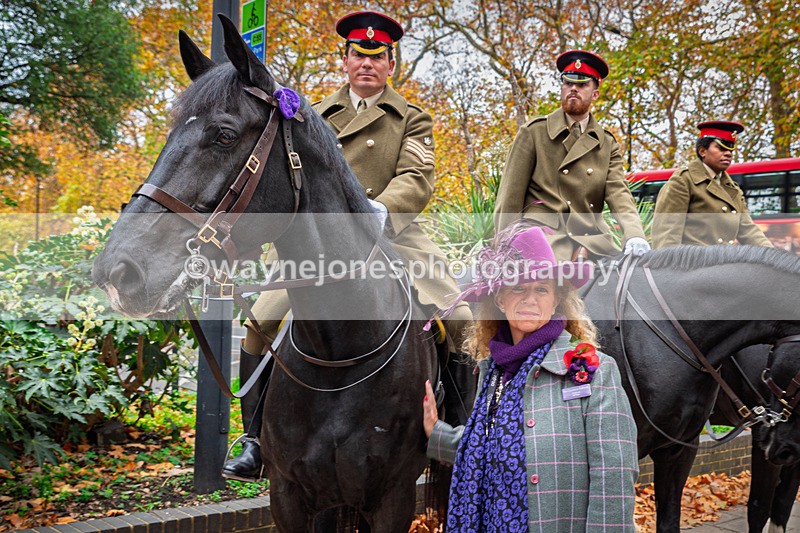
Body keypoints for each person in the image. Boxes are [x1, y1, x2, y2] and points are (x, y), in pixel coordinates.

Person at [221, 10, 473, 482]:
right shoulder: (309, 115)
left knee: (458, 318)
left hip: (392, 235)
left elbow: (418, 179)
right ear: (344, 60)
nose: (366, 65)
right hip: (317, 243)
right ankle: (254, 440)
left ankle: (458, 430)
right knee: (260, 320)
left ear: (391, 65)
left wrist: (380, 211)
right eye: (358, 54)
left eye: (377, 58)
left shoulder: (412, 118)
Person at [423, 223, 639, 532]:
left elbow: (615, 477)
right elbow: (492, 449)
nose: (530, 299)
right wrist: (437, 434)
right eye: (518, 288)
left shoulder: (593, 370)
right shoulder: (492, 370)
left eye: (542, 289)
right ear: (499, 300)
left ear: (555, 300)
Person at [494, 50, 649, 261]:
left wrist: (634, 235)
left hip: (592, 239)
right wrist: (504, 247)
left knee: (631, 281)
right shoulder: (534, 132)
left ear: (595, 94)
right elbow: (509, 197)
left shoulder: (606, 143)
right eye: (568, 83)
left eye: (582, 84)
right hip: (543, 236)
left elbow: (618, 193)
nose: (573, 89)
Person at [652, 121, 773, 248]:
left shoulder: (733, 190)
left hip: (724, 263)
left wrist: (775, 257)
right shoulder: (683, 181)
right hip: (693, 265)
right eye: (721, 148)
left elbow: (749, 231)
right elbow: (667, 237)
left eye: (731, 149)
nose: (728, 153)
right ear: (702, 151)